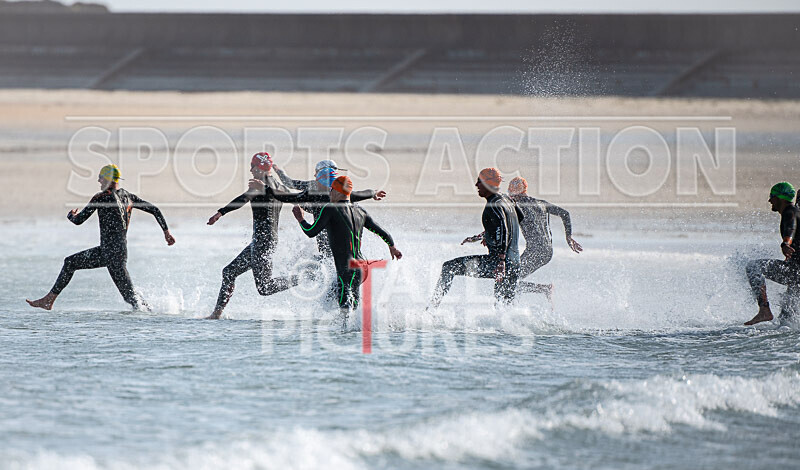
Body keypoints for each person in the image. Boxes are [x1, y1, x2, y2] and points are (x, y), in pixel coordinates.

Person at [26, 164, 175, 311]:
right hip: (119, 252)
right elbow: (154, 209)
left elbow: (79, 221)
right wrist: (166, 232)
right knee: (129, 296)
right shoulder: (128, 197)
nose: (99, 181)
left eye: (101, 178)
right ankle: (49, 300)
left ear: (109, 179)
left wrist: (71, 215)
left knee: (129, 296)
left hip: (108, 252)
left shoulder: (101, 197)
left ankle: (48, 301)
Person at [205, 152, 299, 319]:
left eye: (252, 166)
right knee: (229, 272)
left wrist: (221, 213)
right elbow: (246, 197)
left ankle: (302, 278)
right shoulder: (275, 185)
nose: (250, 170)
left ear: (260, 167)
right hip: (263, 241)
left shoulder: (266, 185)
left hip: (264, 241)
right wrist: (221, 212)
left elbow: (244, 198)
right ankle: (216, 314)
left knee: (265, 287)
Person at [291, 175, 402, 317]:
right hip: (363, 268)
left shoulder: (330, 209)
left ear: (337, 192)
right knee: (349, 309)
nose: (330, 193)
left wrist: (301, 219)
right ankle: (364, 326)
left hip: (347, 270)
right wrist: (392, 246)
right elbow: (381, 232)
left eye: (331, 190)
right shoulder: (360, 211)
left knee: (344, 313)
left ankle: (349, 332)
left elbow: (311, 232)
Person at [462, 176, 582, 302]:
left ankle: (543, 290)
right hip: (547, 251)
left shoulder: (517, 206)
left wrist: (478, 237)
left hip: (536, 252)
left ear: (512, 192)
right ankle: (526, 299)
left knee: (509, 279)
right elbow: (565, 213)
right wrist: (569, 237)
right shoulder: (541, 203)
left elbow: (501, 225)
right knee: (511, 279)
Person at [429, 168, 523, 308]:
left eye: (479, 181)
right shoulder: (507, 199)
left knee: (449, 267)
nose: (476, 185)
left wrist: (501, 261)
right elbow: (519, 217)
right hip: (515, 264)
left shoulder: (493, 205)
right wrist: (489, 234)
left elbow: (503, 228)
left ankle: (431, 309)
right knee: (504, 311)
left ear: (487, 183)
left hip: (498, 263)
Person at [274, 159, 386, 259]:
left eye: (316, 173)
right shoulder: (341, 189)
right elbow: (358, 194)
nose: (314, 175)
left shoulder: (314, 186)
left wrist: (278, 172)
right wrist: (373, 193)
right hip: (336, 230)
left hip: (323, 226)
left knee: (326, 257)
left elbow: (290, 183)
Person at [744, 182, 800, 325]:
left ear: (780, 198)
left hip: (795, 272)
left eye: (772, 196)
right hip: (797, 276)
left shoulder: (790, 212)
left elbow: (791, 227)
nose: (770, 200)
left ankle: (764, 310)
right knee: (787, 321)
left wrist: (786, 243)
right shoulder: (796, 209)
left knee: (753, 267)